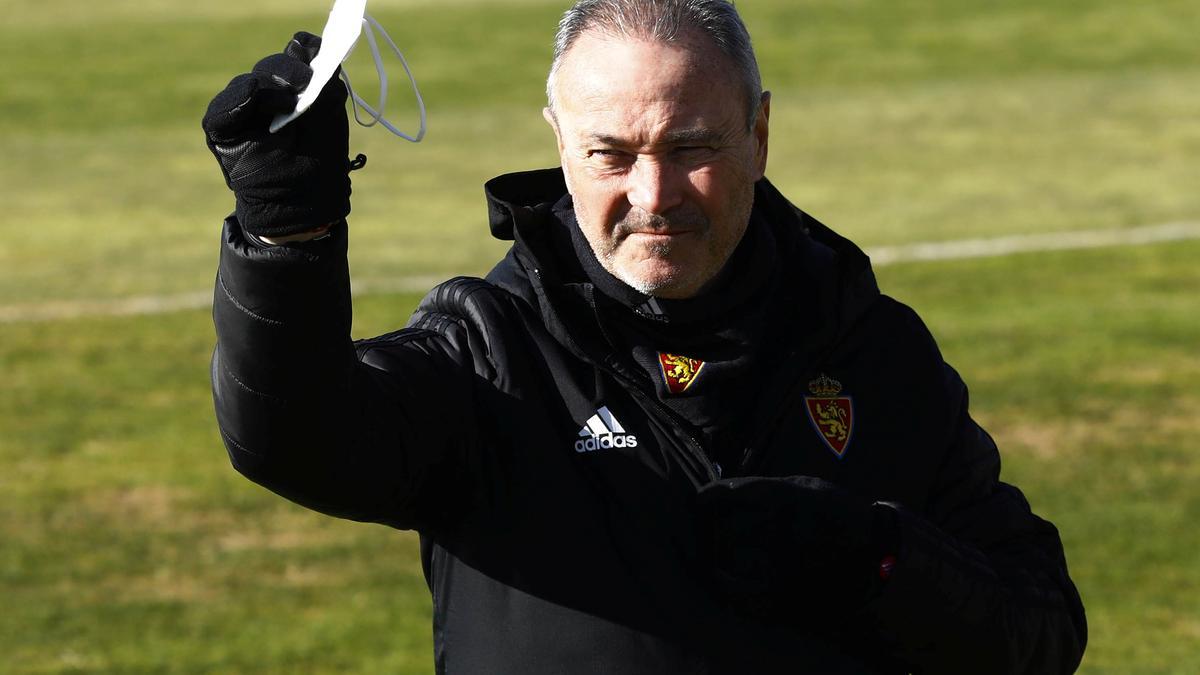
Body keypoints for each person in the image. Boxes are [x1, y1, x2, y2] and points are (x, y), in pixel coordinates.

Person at [202, 1, 1087, 673]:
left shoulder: (870, 346)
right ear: (559, 144)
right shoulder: (489, 355)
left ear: (761, 135)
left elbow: (1042, 629)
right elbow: (292, 435)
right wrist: (288, 238)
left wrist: (881, 556)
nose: (655, 194)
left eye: (692, 145)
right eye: (612, 154)